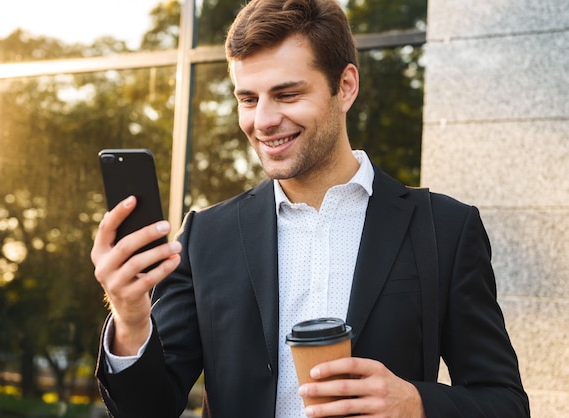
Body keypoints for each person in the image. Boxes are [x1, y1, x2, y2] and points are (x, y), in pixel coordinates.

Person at [91, 0, 530, 416]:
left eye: (286, 94)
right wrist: (130, 320)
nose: (262, 120)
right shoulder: (206, 237)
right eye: (248, 98)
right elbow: (146, 411)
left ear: (346, 87)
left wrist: (415, 404)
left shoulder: (446, 229)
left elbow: (506, 403)